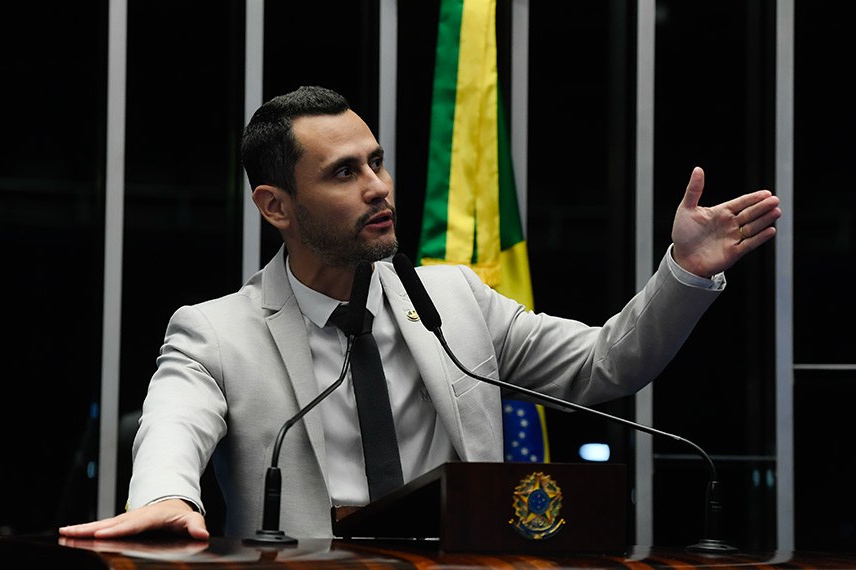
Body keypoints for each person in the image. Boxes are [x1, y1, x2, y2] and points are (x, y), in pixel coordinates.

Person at [59, 85, 781, 541]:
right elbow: (174, 420)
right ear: (274, 205)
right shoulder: (215, 331)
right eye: (345, 173)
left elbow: (606, 364)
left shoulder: (455, 299)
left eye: (377, 162)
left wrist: (683, 272)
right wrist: (162, 496)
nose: (379, 188)